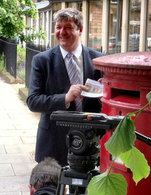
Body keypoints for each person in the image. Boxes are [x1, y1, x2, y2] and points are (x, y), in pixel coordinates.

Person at [26, 8, 105, 166]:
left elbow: (109, 99)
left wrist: (107, 90)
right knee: (53, 190)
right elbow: (33, 101)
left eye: (68, 27)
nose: (62, 32)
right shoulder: (41, 61)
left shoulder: (100, 60)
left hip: (91, 141)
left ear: (80, 29)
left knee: (83, 190)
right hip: (53, 141)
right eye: (58, 27)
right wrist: (66, 98)